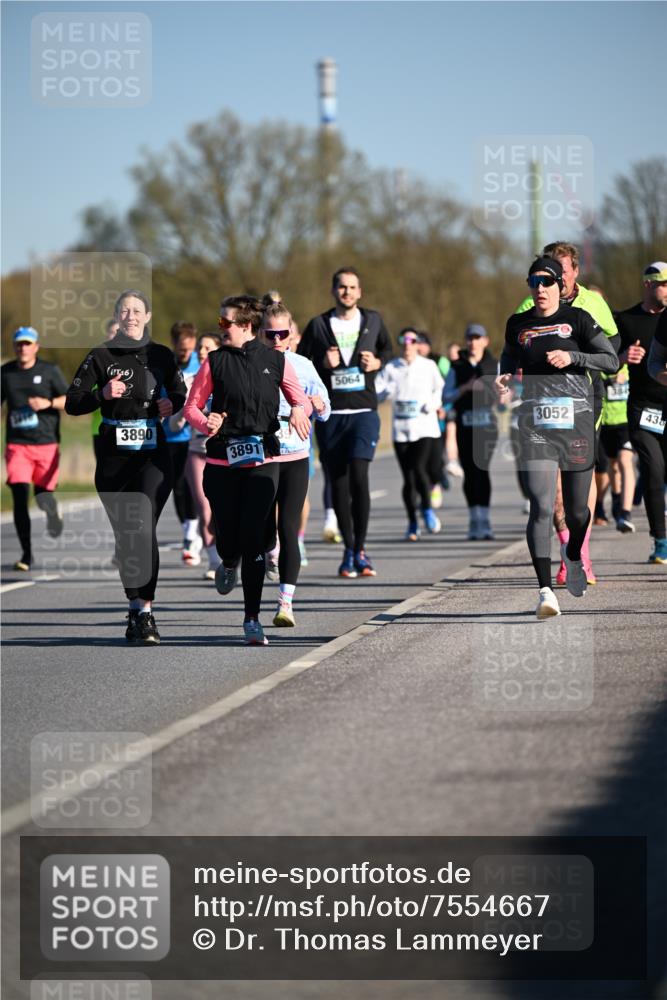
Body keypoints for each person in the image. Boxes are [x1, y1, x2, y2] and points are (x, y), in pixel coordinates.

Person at [183, 295, 312, 646]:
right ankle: (227, 560)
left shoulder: (276, 360)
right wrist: (204, 421)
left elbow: (299, 397)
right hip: (223, 460)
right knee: (229, 538)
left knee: (256, 538)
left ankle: (252, 619)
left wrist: (300, 409)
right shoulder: (215, 362)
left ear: (246, 326)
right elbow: (191, 406)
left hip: (262, 460)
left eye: (226, 323)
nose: (220, 328)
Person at [497, 256, 619, 619]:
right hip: (535, 424)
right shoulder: (518, 324)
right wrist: (503, 376)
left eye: (547, 282)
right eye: (534, 282)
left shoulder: (578, 319)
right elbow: (508, 356)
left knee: (579, 511)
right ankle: (545, 591)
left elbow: (611, 360)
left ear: (559, 286)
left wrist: (574, 357)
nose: (540, 288)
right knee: (542, 504)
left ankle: (573, 553)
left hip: (577, 423)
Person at [66, 290, 186, 645]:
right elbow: (73, 403)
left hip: (152, 455)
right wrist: (100, 395)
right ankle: (135, 607)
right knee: (126, 537)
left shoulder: (161, 355)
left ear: (147, 316)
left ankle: (146, 611)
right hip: (113, 457)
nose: (130, 315)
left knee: (142, 524)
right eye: (124, 310)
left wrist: (170, 403)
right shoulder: (100, 355)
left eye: (137, 310)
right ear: (117, 316)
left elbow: (179, 394)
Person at [298, 267, 392, 578]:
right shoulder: (318, 325)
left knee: (360, 477)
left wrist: (378, 363)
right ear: (333, 290)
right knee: (337, 481)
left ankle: (361, 549)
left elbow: (387, 352)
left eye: (352, 287)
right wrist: (323, 365)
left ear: (359, 292)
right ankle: (348, 550)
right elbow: (300, 363)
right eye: (341, 287)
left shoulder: (374, 320)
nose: (347, 292)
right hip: (331, 414)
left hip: (364, 412)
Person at [260, 301, 330, 626]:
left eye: (282, 333)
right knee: (264, 529)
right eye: (270, 333)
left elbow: (325, 404)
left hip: (296, 457)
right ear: (260, 334)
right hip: (262, 457)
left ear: (292, 335)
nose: (276, 339)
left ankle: (285, 604)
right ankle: (266, 550)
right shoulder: (250, 365)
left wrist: (317, 403)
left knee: (289, 529)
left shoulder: (303, 365)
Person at [1, 326, 67, 571]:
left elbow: (70, 400)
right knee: (19, 495)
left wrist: (47, 402)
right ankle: (26, 554)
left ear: (36, 346)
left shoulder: (49, 371)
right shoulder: (6, 373)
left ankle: (52, 513)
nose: (23, 348)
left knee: (42, 496)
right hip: (17, 444)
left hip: (46, 443)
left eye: (28, 344)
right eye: (19, 344)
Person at [617, 262, 667, 563]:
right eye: (663, 283)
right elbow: (605, 361)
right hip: (642, 409)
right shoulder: (625, 320)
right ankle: (660, 540)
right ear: (648, 284)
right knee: (653, 469)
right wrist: (622, 357)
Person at [376, 328, 444, 540]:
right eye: (402, 340)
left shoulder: (428, 365)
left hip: (424, 428)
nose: (407, 344)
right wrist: (386, 392)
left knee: (419, 470)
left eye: (411, 340)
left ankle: (426, 510)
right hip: (401, 430)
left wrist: (431, 404)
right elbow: (377, 392)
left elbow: (439, 389)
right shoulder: (391, 367)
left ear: (417, 343)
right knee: (408, 478)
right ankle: (413, 522)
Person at [169, 331, 224, 580]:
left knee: (224, 509)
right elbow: (173, 426)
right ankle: (213, 561)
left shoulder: (226, 376)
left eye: (207, 348)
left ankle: (231, 552)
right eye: (200, 348)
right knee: (204, 508)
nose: (201, 352)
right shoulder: (189, 380)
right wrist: (183, 408)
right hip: (197, 451)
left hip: (225, 452)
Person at [443, 323, 498, 540]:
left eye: (478, 338)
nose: (473, 342)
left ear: (485, 341)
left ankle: (485, 521)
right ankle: (474, 518)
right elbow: (445, 396)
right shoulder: (456, 366)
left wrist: (501, 393)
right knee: (469, 472)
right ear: (466, 341)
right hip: (465, 425)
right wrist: (464, 388)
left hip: (487, 426)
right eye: (470, 338)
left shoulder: (494, 365)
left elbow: (503, 396)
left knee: (482, 470)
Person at [163, 321, 202, 565]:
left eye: (188, 349)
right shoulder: (167, 365)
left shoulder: (202, 363)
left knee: (195, 489)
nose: (184, 353)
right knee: (177, 487)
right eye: (180, 349)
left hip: (196, 438)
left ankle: (195, 534)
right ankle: (189, 531)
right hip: (172, 436)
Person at [595, 362, 635, 532]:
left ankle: (623, 510)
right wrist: (609, 382)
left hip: (625, 422)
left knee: (624, 460)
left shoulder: (629, 365)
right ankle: (607, 501)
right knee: (608, 466)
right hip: (604, 422)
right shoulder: (600, 364)